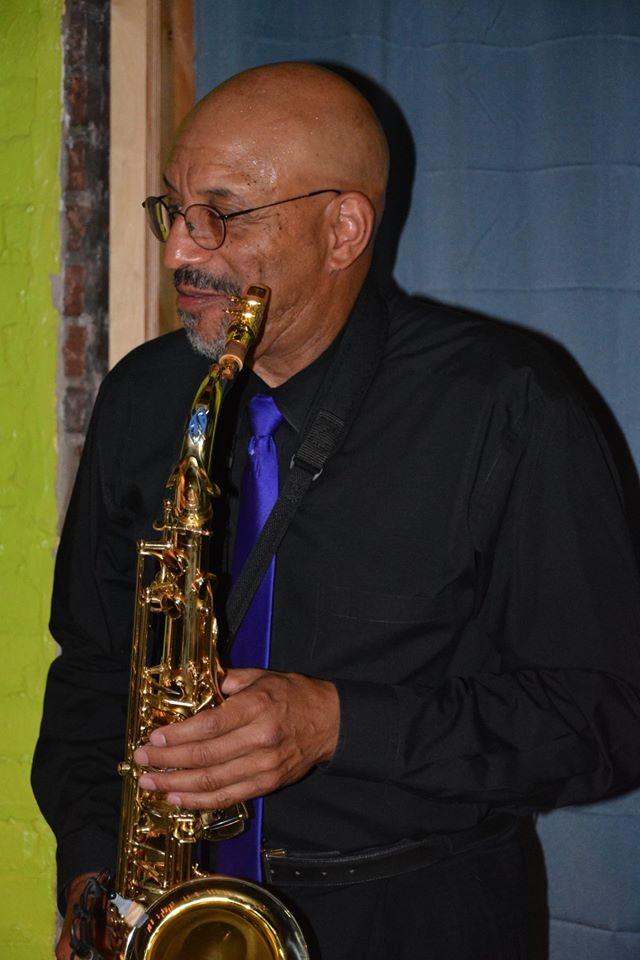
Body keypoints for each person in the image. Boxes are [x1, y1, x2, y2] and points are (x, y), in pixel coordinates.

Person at [33, 62, 640, 960]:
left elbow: (607, 716)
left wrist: (336, 723)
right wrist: (92, 880)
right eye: (174, 210)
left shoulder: (509, 404)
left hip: (418, 917)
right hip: (173, 908)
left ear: (343, 229)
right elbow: (91, 668)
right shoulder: (142, 397)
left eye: (222, 214)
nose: (178, 254)